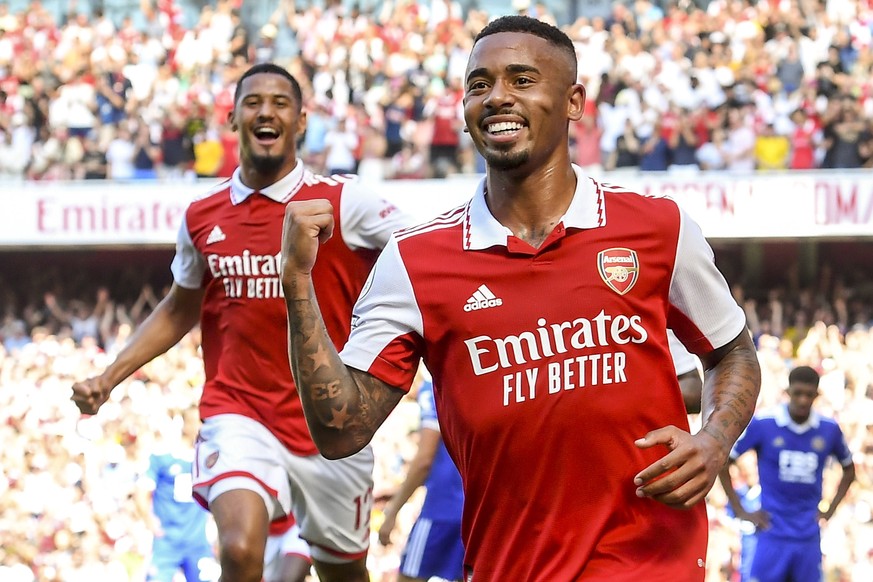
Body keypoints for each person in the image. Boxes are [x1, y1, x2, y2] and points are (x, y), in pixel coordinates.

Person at [280, 16, 761, 581]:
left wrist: (714, 440)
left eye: (522, 79)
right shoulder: (416, 262)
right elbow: (341, 430)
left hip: (650, 563)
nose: (497, 97)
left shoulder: (657, 228)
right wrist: (297, 286)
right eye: (479, 84)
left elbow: (733, 353)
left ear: (574, 101)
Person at [71, 62, 411, 582]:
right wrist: (109, 376)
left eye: (280, 102)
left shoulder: (345, 203)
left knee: (343, 572)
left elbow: (421, 254)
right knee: (238, 547)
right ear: (233, 118)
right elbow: (179, 307)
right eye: (253, 102)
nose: (266, 111)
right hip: (240, 411)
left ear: (300, 121)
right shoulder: (201, 216)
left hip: (330, 422)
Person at [718, 365, 856, 582]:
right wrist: (740, 510)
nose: (803, 400)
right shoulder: (765, 423)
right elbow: (724, 462)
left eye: (809, 395)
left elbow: (849, 470)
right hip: (771, 533)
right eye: (798, 393)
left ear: (816, 395)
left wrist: (830, 510)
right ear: (788, 391)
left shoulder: (829, 429)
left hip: (808, 536)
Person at [378, 373, 465, 582]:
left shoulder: (434, 388)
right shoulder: (469, 384)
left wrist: (392, 512)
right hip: (475, 513)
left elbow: (424, 460)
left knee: (408, 577)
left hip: (441, 510)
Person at [134, 407, 219, 582]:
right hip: (167, 540)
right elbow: (141, 491)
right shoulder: (163, 456)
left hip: (197, 540)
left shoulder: (208, 459)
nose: (200, 427)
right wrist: (149, 520)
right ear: (185, 424)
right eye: (197, 422)